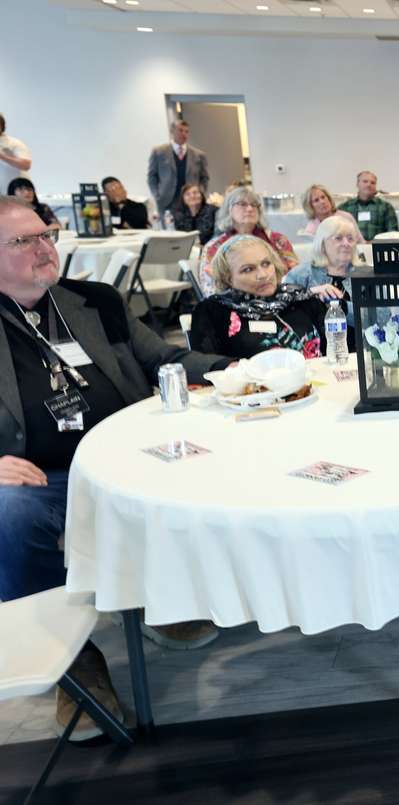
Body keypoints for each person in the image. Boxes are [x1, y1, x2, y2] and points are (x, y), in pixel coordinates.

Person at [0, 197, 230, 741]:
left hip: (129, 456)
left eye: (46, 234)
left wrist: (233, 368)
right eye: (24, 241)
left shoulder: (95, 301)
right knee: (9, 513)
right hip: (44, 477)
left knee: (211, 458)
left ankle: (158, 595)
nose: (44, 248)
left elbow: (163, 359)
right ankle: (75, 662)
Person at [190, 235, 325, 360]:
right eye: (248, 269)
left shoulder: (300, 298)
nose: (263, 275)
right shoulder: (213, 310)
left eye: (266, 264)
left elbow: (332, 348)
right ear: (228, 278)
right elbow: (207, 365)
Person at [285, 214, 360, 343]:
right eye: (338, 238)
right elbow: (284, 308)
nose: (346, 244)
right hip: (313, 348)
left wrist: (344, 307)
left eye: (350, 239)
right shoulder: (301, 274)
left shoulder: (365, 274)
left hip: (359, 348)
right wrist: (310, 293)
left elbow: (381, 318)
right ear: (322, 243)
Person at [202, 186, 298, 272]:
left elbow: (295, 273)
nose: (250, 209)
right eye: (242, 204)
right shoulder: (216, 246)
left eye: (254, 205)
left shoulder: (278, 240)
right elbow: (212, 281)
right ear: (229, 210)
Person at [147, 119, 210, 217]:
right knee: (169, 226)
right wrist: (157, 195)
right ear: (172, 131)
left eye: (186, 131)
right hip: (166, 202)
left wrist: (200, 193)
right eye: (180, 130)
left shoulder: (198, 155)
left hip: (191, 203)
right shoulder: (158, 152)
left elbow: (205, 178)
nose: (184, 134)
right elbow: (152, 176)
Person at [338, 170, 398, 240]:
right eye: (365, 181)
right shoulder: (344, 207)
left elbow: (392, 234)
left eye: (373, 183)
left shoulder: (386, 207)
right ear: (357, 184)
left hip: (377, 246)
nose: (369, 185)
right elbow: (337, 233)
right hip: (352, 246)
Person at [0, 114, 32, 192]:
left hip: (17, 193)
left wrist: (2, 156)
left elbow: (26, 165)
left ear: (1, 126)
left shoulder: (13, 143)